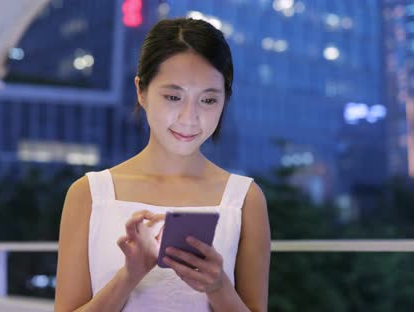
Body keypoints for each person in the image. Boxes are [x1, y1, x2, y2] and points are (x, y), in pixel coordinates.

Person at [54, 18, 270, 312]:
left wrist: (219, 287)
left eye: (208, 100)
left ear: (224, 102)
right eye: (173, 96)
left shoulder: (244, 199)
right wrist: (130, 276)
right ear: (141, 91)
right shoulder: (90, 194)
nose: (189, 117)